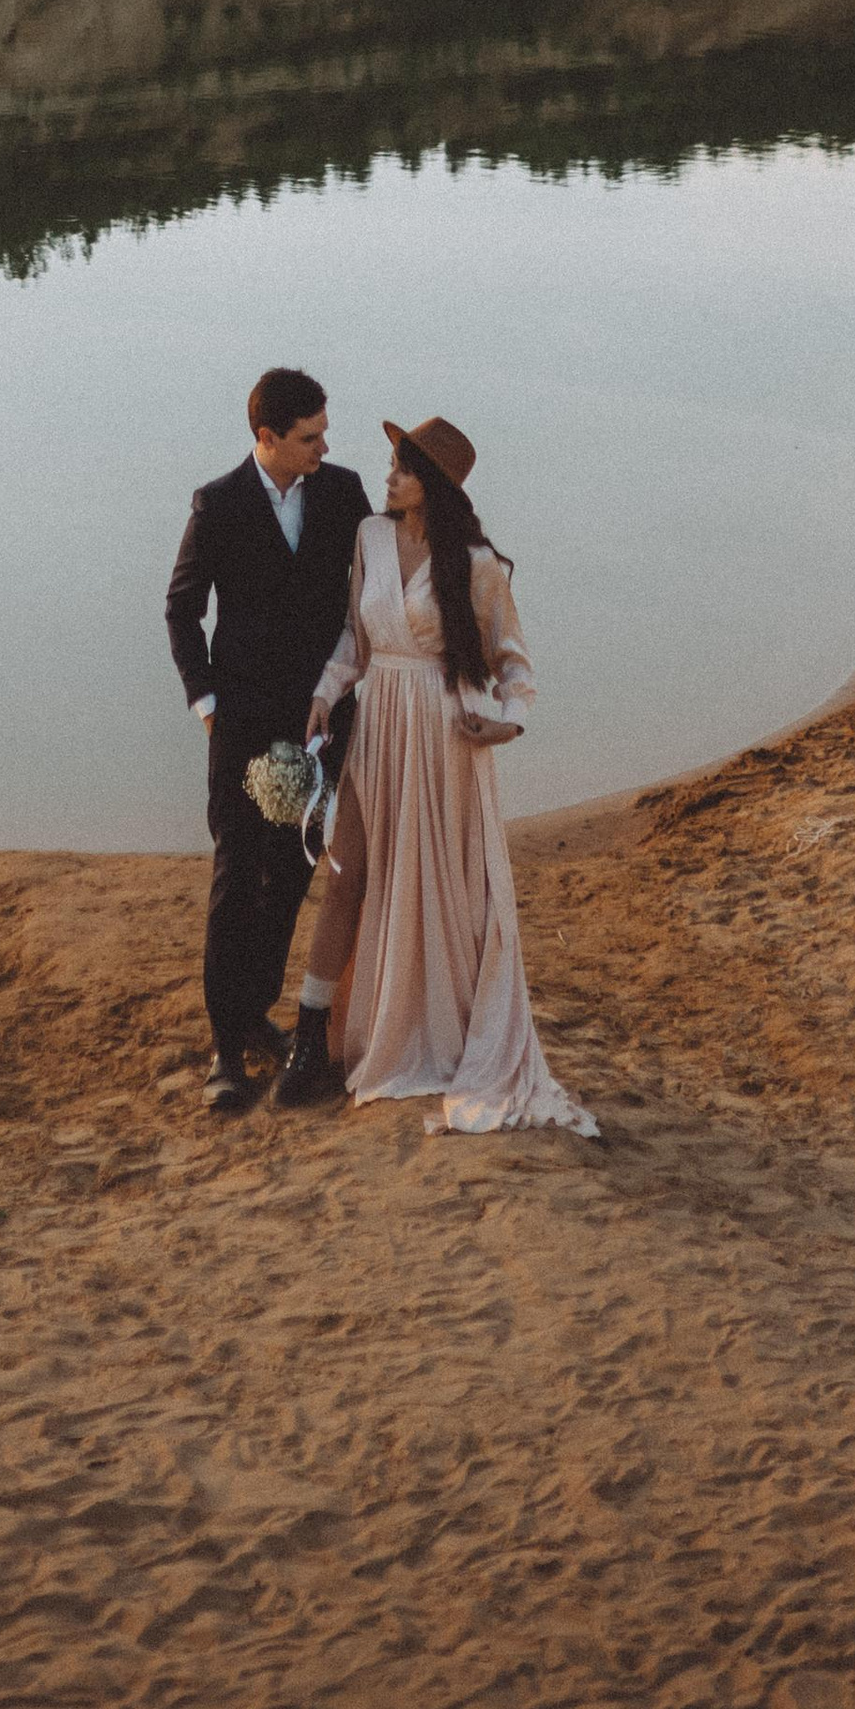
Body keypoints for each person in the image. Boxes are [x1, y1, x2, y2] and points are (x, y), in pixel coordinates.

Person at [271, 411, 594, 1137]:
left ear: (435, 487)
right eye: (393, 462)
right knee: (346, 874)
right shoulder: (371, 537)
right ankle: (310, 1040)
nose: (388, 475)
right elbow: (356, 638)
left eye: (404, 467)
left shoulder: (476, 565)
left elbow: (513, 661)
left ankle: (438, 1029)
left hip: (445, 737)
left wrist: (507, 721)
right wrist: (325, 694)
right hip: (378, 722)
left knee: (443, 884)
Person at [164, 368, 373, 1115]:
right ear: (267, 438)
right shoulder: (217, 505)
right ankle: (226, 1048)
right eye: (309, 436)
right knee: (234, 874)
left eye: (323, 432)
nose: (324, 446)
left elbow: (370, 591)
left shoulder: (345, 494)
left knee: (288, 872)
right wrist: (208, 704)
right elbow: (182, 610)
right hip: (242, 726)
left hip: (317, 725)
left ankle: (255, 1016)